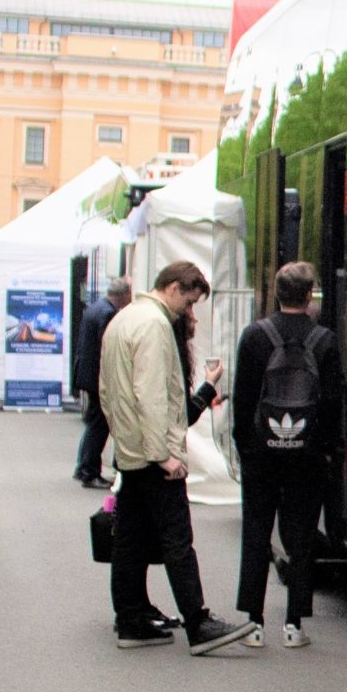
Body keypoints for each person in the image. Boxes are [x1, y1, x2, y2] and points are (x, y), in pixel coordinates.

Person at [101, 259, 250, 654]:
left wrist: (128, 441)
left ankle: (130, 619)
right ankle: (199, 624)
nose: (189, 311)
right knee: (177, 539)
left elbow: (109, 392)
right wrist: (163, 454)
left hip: (130, 451)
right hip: (152, 454)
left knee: (129, 541)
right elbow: (150, 395)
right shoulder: (153, 325)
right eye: (188, 301)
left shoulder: (124, 319)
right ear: (172, 288)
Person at [233, 259, 340, 650]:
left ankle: (253, 622)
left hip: (261, 454)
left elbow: (243, 401)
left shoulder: (255, 337)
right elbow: (331, 403)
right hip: (306, 456)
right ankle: (294, 624)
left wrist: (245, 445)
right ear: (309, 295)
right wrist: (326, 450)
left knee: (256, 531)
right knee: (300, 538)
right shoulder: (324, 340)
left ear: (277, 294)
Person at [71, 278, 129, 490]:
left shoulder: (96, 308)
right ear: (124, 296)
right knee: (99, 424)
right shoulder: (107, 314)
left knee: (93, 422)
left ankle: (84, 466)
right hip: (98, 377)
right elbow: (107, 348)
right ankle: (89, 471)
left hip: (88, 374)